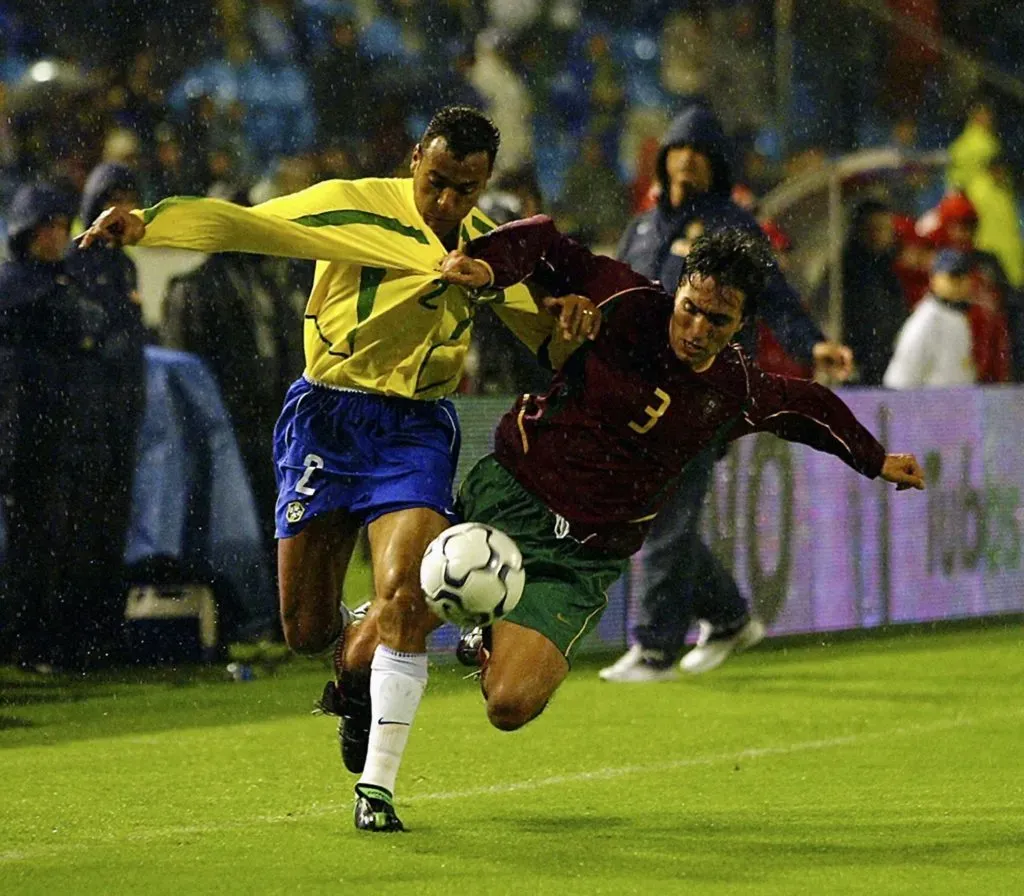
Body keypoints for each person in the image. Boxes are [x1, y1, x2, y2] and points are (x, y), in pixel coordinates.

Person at [79, 107, 585, 832]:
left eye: (464, 190)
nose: (446, 202)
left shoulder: (487, 250)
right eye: (436, 182)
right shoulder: (351, 204)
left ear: (483, 185)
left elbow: (544, 336)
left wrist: (570, 320)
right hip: (326, 417)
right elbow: (244, 224)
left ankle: (376, 791)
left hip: (414, 427)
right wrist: (148, 223)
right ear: (415, 158)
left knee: (406, 596)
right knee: (306, 629)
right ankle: (354, 675)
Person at [434, 218, 923, 790]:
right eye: (690, 307)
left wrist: (873, 458)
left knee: (510, 706)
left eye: (718, 319)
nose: (696, 327)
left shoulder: (735, 389)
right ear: (680, 288)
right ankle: (356, 691)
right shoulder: (628, 300)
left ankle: (484, 634)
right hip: (515, 492)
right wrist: (489, 265)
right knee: (394, 619)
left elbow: (807, 406)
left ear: (742, 323)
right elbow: (543, 240)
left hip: (587, 555)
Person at [601, 104, 854, 683]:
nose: (687, 160)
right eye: (678, 149)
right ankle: (729, 615)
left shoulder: (733, 226)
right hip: (647, 392)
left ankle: (657, 647)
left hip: (708, 389)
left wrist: (810, 344)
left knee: (668, 512)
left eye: (700, 152)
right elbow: (617, 299)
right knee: (659, 515)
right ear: (663, 159)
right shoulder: (640, 227)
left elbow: (776, 296)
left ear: (716, 166)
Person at [0, 183, 112, 669]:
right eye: (49, 226)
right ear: (28, 232)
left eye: (64, 226)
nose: (59, 235)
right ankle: (25, 642)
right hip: (25, 438)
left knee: (58, 544)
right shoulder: (16, 287)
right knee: (31, 546)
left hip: (60, 437)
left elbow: (96, 327)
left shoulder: (68, 283)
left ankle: (47, 640)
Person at [883, 249, 977, 389]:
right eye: (954, 276)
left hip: (956, 406)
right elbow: (899, 381)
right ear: (934, 279)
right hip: (931, 407)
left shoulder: (958, 317)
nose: (961, 282)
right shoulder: (925, 320)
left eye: (964, 276)